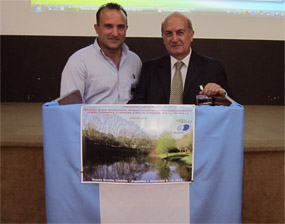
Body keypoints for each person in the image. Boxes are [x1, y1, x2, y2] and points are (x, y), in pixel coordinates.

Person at [129, 12, 231, 104]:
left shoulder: (213, 68)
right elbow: (138, 106)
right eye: (168, 33)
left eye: (180, 32)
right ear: (163, 38)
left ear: (191, 35)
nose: (174, 39)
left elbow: (230, 108)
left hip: (198, 125)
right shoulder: (149, 69)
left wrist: (221, 93)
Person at [60, 3, 142, 104]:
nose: (115, 33)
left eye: (120, 27)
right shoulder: (78, 62)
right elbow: (69, 109)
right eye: (108, 26)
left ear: (126, 29)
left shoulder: (135, 60)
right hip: (90, 120)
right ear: (96, 28)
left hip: (130, 120)